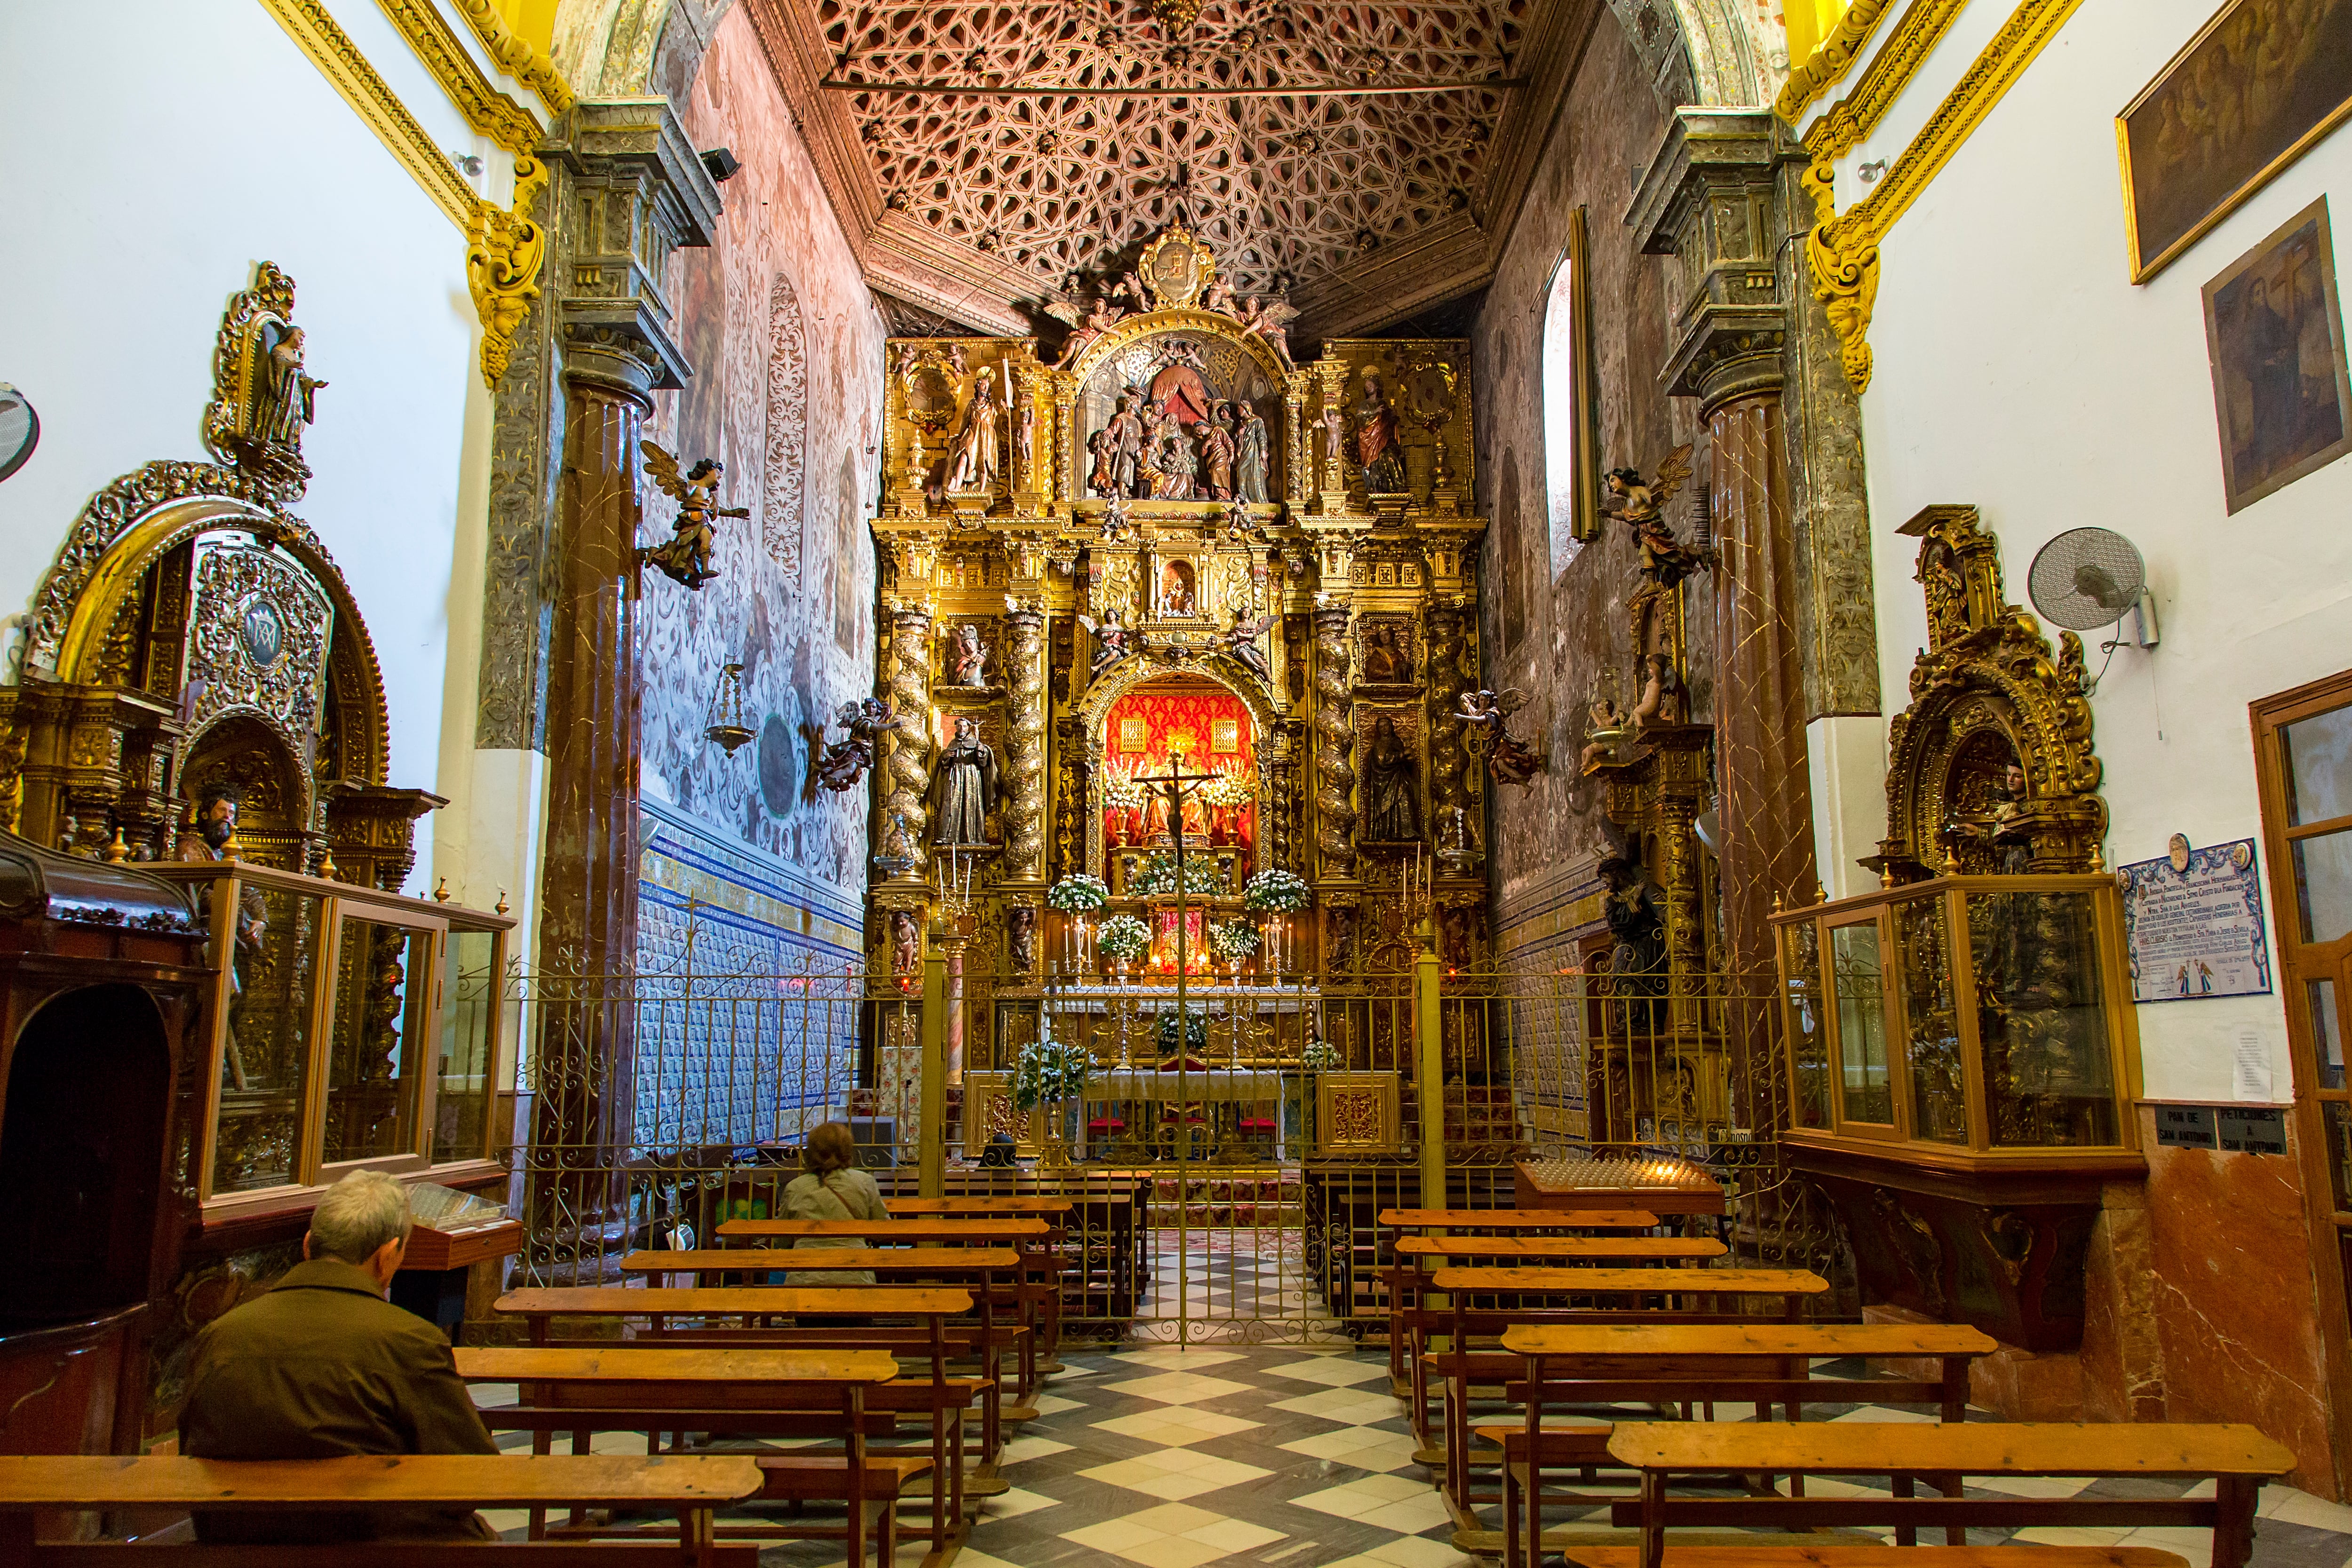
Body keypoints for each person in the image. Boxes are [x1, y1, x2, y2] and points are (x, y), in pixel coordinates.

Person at [180, 1170, 497, 1544]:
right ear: (388, 1256)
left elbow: (193, 1446)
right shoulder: (411, 1341)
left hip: (237, 1547)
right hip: (372, 1551)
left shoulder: (220, 1335)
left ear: (309, 1243)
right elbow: (473, 1473)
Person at [784, 1122, 892, 1284]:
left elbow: (782, 1239)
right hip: (856, 1275)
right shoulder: (864, 1182)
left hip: (804, 1277)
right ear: (847, 1149)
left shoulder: (795, 1187)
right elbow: (883, 1230)